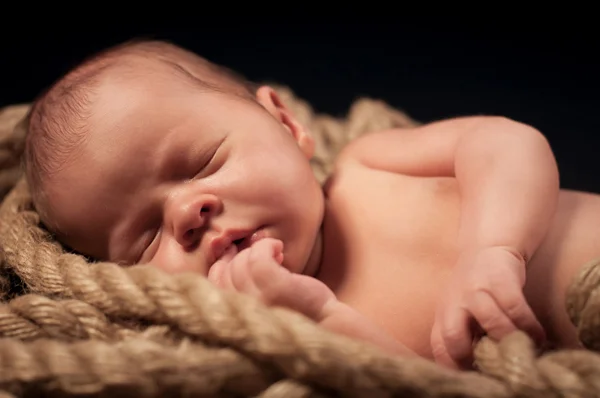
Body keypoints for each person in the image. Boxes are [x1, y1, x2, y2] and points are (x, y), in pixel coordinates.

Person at [22, 39, 600, 370]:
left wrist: (495, 247)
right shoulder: (283, 337)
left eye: (202, 163)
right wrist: (320, 319)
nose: (186, 214)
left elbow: (503, 141)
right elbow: (416, 385)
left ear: (286, 123)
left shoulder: (368, 165)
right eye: (145, 237)